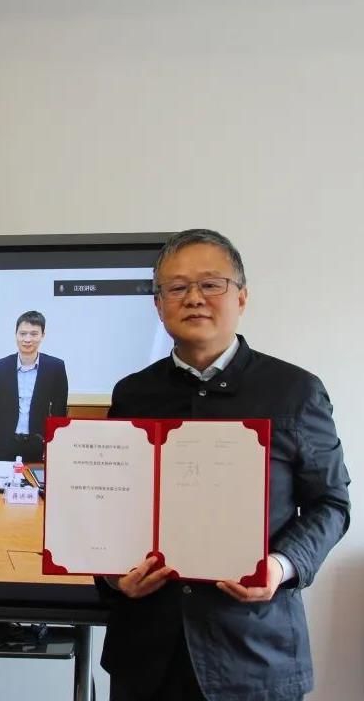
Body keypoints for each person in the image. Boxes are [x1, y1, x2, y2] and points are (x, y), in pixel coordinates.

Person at [98, 229, 350, 701]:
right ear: (158, 305)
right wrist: (111, 574)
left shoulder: (295, 391)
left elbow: (332, 504)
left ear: (242, 297)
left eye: (211, 284)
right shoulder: (133, 394)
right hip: (146, 657)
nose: (194, 298)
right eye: (177, 287)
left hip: (254, 656)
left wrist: (280, 566)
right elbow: (112, 504)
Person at [0, 310, 68, 462]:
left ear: (42, 335)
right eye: (23, 333)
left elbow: (59, 410)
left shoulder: (56, 367)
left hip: (38, 443)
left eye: (34, 334)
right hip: (5, 442)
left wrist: (53, 444)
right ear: (16, 334)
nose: (27, 339)